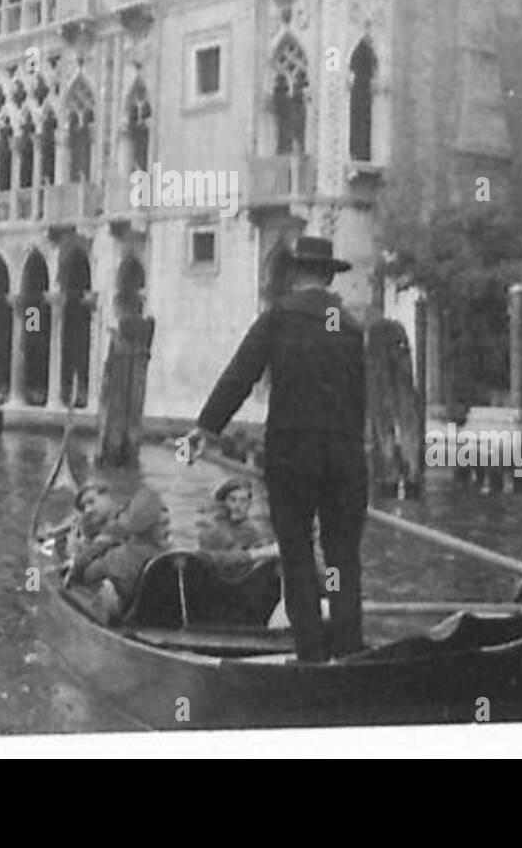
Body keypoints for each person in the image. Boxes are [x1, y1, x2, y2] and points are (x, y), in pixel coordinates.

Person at [185, 236, 368, 663]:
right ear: (327, 277)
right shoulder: (351, 326)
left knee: (298, 555)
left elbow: (240, 376)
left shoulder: (279, 318)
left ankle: (311, 657)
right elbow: (360, 399)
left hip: (293, 455)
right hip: (345, 456)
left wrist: (205, 429)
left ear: (293, 274)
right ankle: (348, 650)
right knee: (342, 558)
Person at [76, 487, 171, 622]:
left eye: (91, 502)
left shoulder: (119, 554)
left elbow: (82, 572)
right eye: (84, 507)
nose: (88, 509)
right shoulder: (169, 556)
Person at [197, 476, 279, 577]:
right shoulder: (212, 529)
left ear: (249, 504)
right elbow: (208, 559)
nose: (237, 506)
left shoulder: (255, 530)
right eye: (232, 500)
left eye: (243, 500)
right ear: (223, 502)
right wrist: (255, 554)